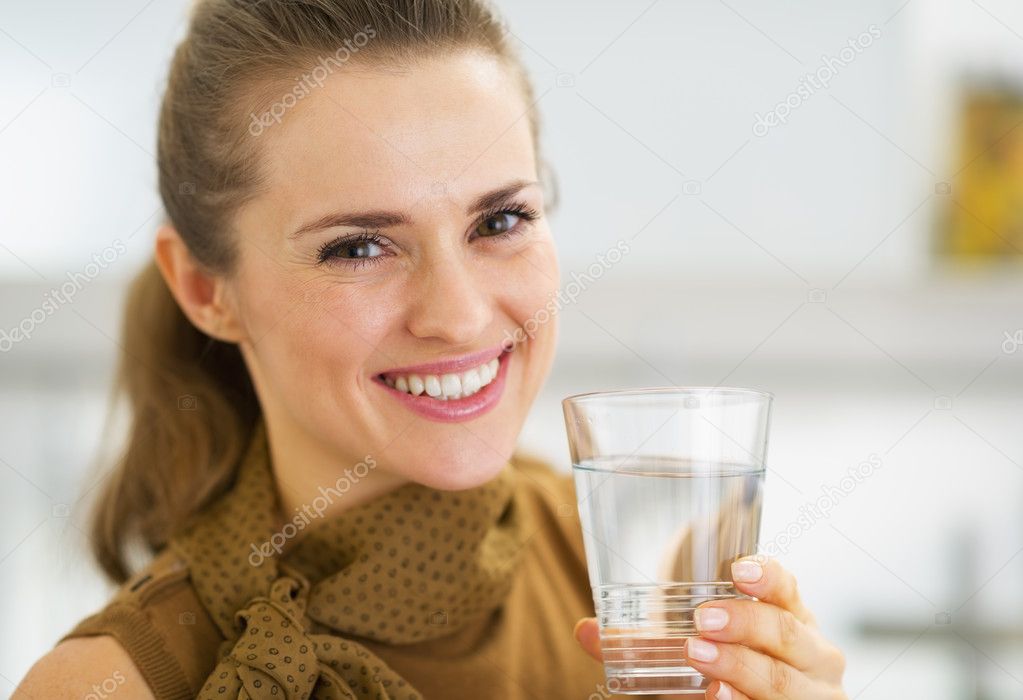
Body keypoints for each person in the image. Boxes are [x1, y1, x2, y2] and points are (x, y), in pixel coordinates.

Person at [15, 1, 846, 698]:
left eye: (499, 222)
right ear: (205, 290)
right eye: (359, 247)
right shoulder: (108, 683)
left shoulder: (648, 584)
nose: (456, 314)